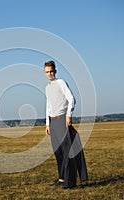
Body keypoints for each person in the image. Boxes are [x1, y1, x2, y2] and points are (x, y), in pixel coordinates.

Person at [44, 60, 88, 189]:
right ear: (44, 73)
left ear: (55, 71)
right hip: (53, 122)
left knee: (67, 152)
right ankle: (62, 178)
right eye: (47, 72)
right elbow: (48, 106)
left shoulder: (61, 82)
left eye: (51, 71)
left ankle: (70, 183)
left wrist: (69, 115)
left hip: (62, 120)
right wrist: (47, 123)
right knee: (58, 153)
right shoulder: (47, 88)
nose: (50, 73)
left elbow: (71, 99)